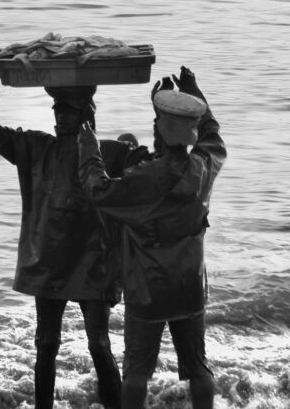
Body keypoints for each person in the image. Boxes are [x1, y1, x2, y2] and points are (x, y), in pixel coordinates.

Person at [0, 56, 131, 409]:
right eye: (58, 109)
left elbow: (157, 168)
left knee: (99, 345)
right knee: (46, 344)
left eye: (69, 110)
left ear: (86, 114)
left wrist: (166, 118)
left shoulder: (109, 151)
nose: (60, 115)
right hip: (48, 263)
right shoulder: (36, 147)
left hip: (94, 264)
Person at [78, 67, 226, 409]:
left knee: (137, 371)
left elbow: (98, 190)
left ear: (160, 130)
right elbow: (212, 132)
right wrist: (193, 90)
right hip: (189, 287)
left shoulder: (145, 177)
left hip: (148, 290)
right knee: (199, 368)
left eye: (157, 122)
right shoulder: (203, 165)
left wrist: (88, 148)